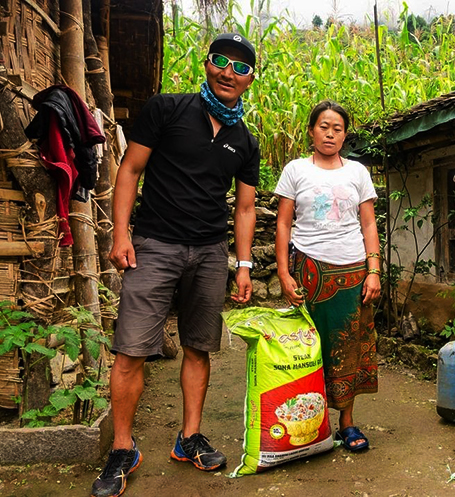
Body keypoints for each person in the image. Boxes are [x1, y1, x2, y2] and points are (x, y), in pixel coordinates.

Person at [91, 33, 260, 497]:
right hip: (154, 245)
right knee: (130, 350)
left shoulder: (245, 141)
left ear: (250, 79)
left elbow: (244, 209)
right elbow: (129, 170)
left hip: (208, 252)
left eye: (241, 66)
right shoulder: (167, 109)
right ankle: (123, 449)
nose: (229, 71)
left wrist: (242, 264)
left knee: (198, 347)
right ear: (207, 65)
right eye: (221, 61)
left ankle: (189, 438)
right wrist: (121, 234)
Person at [275, 100, 380, 452]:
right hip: (309, 270)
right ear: (311, 130)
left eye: (337, 128)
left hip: (353, 270)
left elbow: (368, 223)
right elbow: (284, 223)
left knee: (349, 347)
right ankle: (309, 426)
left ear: (345, 134)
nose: (330, 133)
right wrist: (283, 272)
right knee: (308, 347)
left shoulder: (357, 173)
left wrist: (374, 271)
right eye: (323, 126)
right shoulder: (295, 170)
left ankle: (347, 424)